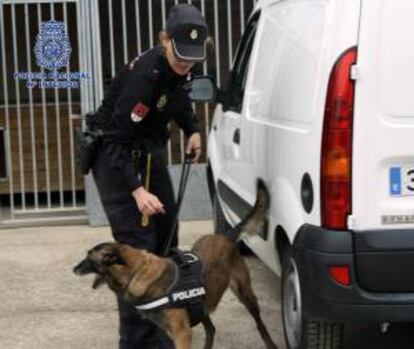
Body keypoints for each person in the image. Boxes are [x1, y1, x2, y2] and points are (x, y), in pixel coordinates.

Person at [89, 4, 208, 349]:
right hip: (115, 161)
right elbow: (114, 140)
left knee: (166, 241)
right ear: (164, 40)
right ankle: (136, 340)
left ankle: (161, 322)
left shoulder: (182, 65)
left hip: (148, 155)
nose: (186, 64)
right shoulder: (144, 77)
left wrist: (192, 129)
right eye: (180, 56)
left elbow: (179, 97)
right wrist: (137, 191)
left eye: (192, 59)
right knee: (136, 254)